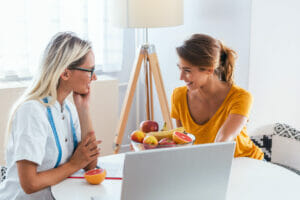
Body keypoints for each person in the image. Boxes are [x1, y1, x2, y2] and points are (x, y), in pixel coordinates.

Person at [0, 32, 101, 199]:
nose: (94, 77)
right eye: (90, 70)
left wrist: (84, 110)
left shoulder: (68, 108)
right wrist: (73, 164)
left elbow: (90, 166)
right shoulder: (32, 111)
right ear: (66, 73)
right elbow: (30, 184)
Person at [171, 34, 264, 159]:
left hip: (245, 162)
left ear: (209, 70)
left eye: (187, 70)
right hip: (210, 166)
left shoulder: (241, 97)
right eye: (180, 69)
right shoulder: (179, 96)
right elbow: (183, 142)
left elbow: (223, 140)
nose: (181, 77)